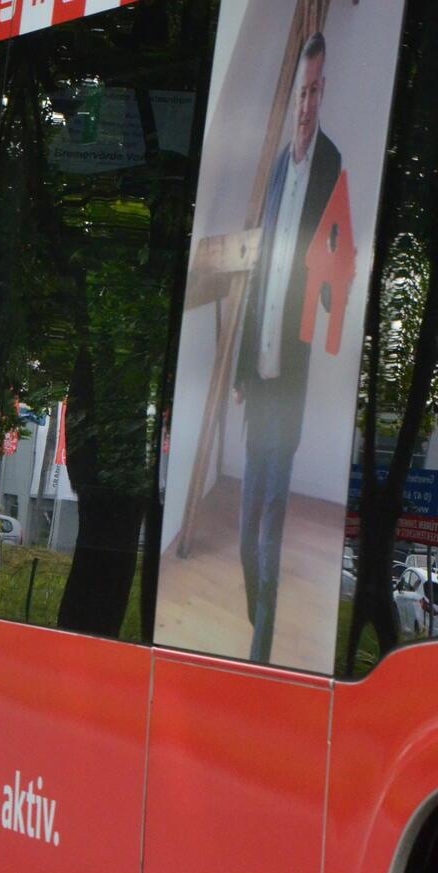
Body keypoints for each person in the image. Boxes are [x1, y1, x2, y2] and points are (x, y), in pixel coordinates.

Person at [234, 32, 344, 664]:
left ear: (323, 91)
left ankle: (261, 647)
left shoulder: (331, 168)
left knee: (273, 523)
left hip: (293, 387)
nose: (306, 104)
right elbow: (260, 273)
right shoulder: (279, 166)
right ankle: (259, 611)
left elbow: (333, 284)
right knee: (248, 533)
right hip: (261, 377)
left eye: (315, 91)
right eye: (301, 92)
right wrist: (244, 367)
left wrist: (333, 282)